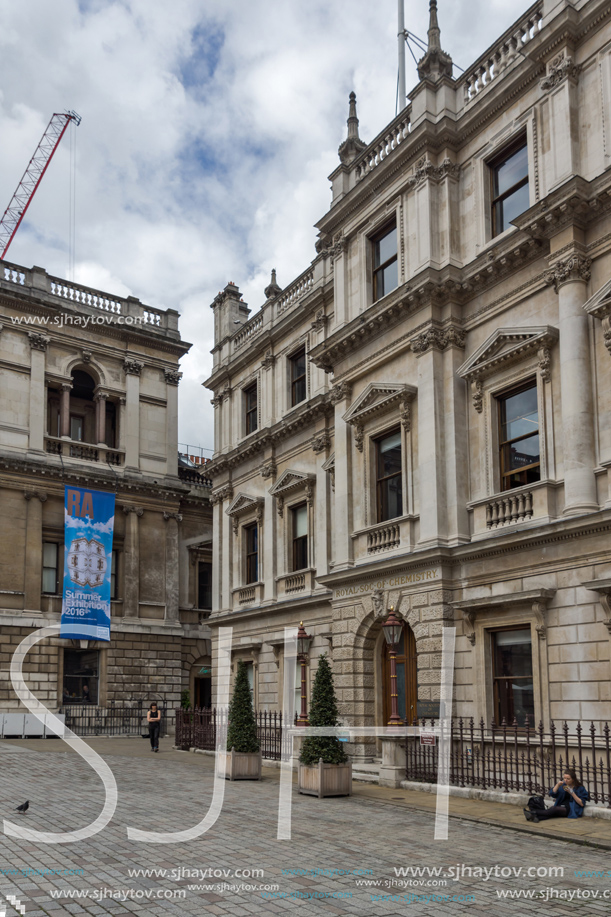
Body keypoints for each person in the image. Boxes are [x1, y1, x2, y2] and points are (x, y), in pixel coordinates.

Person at [524, 769, 589, 822]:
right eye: (564, 778)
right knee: (552, 813)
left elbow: (581, 803)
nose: (565, 780)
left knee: (554, 809)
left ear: (573, 779)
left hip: (571, 808)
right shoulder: (563, 786)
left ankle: (532, 812)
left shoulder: (580, 788)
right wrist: (557, 785)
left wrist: (571, 792)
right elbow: (552, 794)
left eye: (568, 779)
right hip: (561, 806)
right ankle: (536, 817)